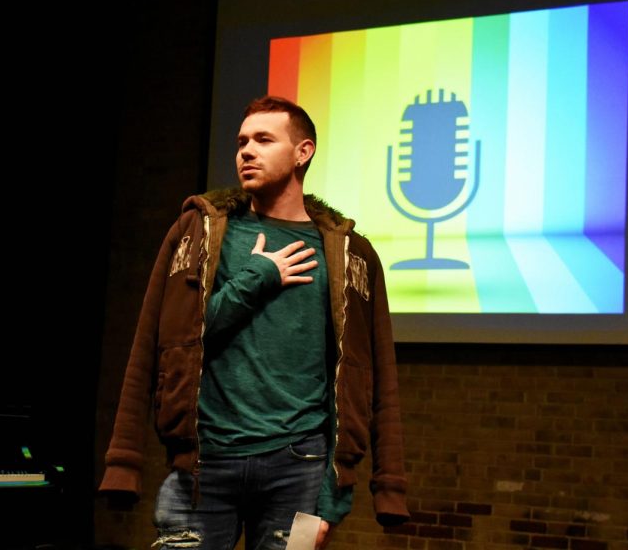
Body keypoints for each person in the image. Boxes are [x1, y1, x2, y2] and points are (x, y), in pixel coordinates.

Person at [99, 96, 409, 549]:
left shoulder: (350, 253)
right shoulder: (198, 231)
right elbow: (167, 340)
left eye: (264, 139)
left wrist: (336, 499)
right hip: (202, 467)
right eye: (242, 141)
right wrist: (258, 277)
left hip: (301, 471)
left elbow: (373, 375)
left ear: (303, 152)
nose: (246, 150)